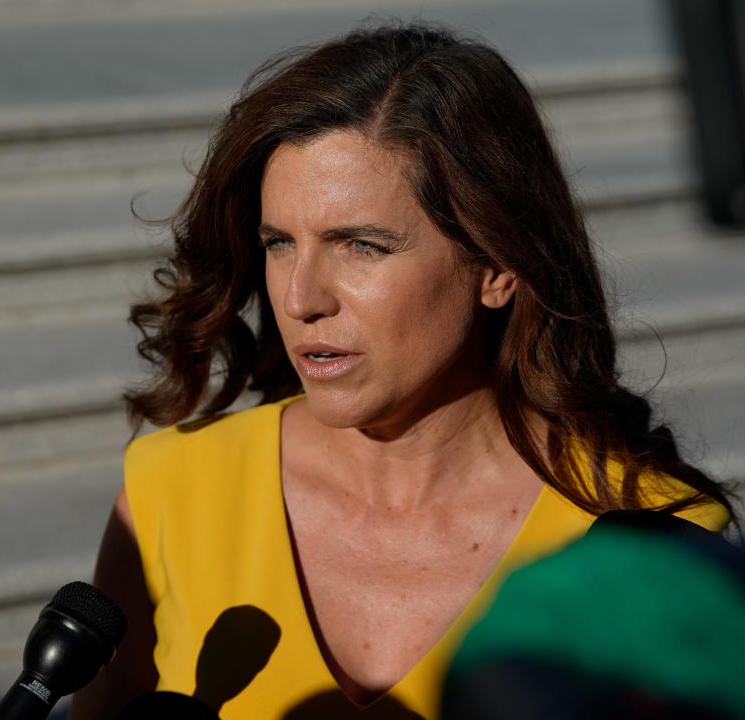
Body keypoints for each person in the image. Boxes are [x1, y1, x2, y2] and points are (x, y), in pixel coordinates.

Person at [69, 23, 737, 720]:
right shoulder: (170, 494)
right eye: (278, 243)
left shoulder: (653, 539)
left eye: (360, 245)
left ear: (498, 265)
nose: (301, 299)